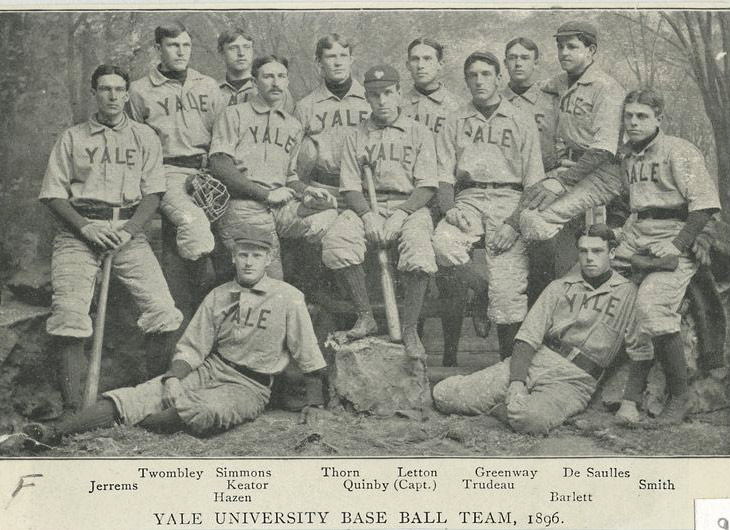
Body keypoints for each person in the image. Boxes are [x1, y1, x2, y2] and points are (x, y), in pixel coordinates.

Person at [23, 225, 328, 446]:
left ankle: (125, 427)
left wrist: (315, 402)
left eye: (256, 256)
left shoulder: (289, 298)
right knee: (142, 395)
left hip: (250, 387)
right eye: (243, 254)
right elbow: (194, 346)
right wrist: (172, 378)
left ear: (267, 259)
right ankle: (56, 432)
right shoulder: (219, 296)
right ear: (233, 257)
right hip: (211, 369)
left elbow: (307, 351)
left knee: (204, 410)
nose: (249, 262)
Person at [38, 64, 183, 410]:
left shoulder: (144, 137)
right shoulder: (72, 137)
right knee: (70, 315)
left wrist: (130, 230)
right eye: (105, 89)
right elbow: (53, 195)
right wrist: (86, 228)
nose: (113, 96)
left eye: (120, 89)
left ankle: (150, 399)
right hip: (79, 232)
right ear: (95, 93)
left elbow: (154, 194)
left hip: (127, 233)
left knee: (163, 311)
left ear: (127, 92)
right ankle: (76, 411)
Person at [433, 224, 650, 435]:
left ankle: (503, 409)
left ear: (612, 253)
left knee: (531, 419)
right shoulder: (559, 287)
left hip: (575, 380)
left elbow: (640, 350)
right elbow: (528, 337)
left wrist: (630, 401)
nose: (590, 257)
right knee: (445, 395)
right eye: (583, 251)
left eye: (597, 251)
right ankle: (512, 400)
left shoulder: (629, 294)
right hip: (538, 361)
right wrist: (517, 382)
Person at [609, 89, 721, 426]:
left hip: (674, 234)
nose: (633, 122)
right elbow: (632, 208)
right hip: (637, 234)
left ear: (660, 118)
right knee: (608, 296)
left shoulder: (679, 151)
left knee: (652, 306)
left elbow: (703, 205)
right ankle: (623, 394)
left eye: (642, 116)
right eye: (629, 116)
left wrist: (677, 245)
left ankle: (680, 396)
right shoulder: (628, 156)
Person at [431, 51, 545, 361]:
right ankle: (480, 290)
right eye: (473, 75)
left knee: (507, 295)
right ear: (466, 80)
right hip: (468, 199)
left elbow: (534, 181)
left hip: (509, 201)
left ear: (498, 77)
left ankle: (506, 371)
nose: (480, 80)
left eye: (486, 74)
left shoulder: (521, 119)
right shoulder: (455, 120)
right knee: (442, 245)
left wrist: (514, 222)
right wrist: (449, 208)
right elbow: (443, 174)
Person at [320, 64, 439, 359]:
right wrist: (367, 215)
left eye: (387, 93)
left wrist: (401, 214)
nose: (382, 101)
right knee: (337, 241)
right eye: (374, 96)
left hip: (410, 205)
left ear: (399, 94)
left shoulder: (419, 132)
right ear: (367, 99)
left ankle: (410, 329)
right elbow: (349, 186)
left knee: (419, 249)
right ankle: (365, 316)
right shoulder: (355, 135)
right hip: (366, 206)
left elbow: (427, 186)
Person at [208, 55, 338, 280]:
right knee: (270, 282)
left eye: (281, 76)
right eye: (268, 76)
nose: (276, 82)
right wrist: (266, 194)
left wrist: (307, 191)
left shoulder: (293, 125)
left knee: (328, 215)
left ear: (287, 81)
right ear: (255, 81)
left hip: (279, 208)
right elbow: (220, 163)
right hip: (244, 206)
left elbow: (290, 177)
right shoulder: (235, 114)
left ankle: (312, 296)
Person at [401, 37, 490, 339]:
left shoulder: (457, 107)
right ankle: (418, 345)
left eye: (428, 59)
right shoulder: (397, 104)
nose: (421, 65)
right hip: (411, 194)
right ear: (408, 64)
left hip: (447, 195)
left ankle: (451, 354)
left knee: (451, 279)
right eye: (415, 59)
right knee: (414, 270)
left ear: (440, 64)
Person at [127, 22, 221, 263]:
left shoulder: (208, 85)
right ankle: (184, 294)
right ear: (159, 49)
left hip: (209, 171)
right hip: (168, 171)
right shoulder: (140, 90)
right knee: (194, 227)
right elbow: (135, 144)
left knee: (230, 230)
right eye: (173, 45)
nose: (181, 52)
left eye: (186, 45)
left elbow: (222, 134)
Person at [520, 21, 625, 229]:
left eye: (572, 46)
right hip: (570, 167)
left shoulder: (607, 88)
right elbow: (531, 87)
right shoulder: (561, 82)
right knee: (522, 207)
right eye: (560, 46)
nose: (563, 53)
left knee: (535, 219)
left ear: (591, 50)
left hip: (602, 173)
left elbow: (603, 149)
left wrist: (562, 182)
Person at [502, 36, 561, 303]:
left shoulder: (551, 100)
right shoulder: (497, 100)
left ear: (536, 63)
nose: (518, 63)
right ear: (505, 63)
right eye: (512, 58)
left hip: (544, 182)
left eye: (524, 58)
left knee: (543, 248)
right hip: (508, 183)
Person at [294, 33, 370, 200]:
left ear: (351, 60)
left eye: (343, 56)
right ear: (319, 62)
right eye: (330, 57)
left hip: (366, 189)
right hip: (323, 190)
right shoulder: (305, 106)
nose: (338, 62)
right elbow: (292, 162)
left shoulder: (370, 100)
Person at [217, 28, 296, 112]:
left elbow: (288, 122)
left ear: (252, 51)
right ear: (222, 54)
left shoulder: (277, 90)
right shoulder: (214, 90)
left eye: (246, 47)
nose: (241, 53)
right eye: (233, 48)